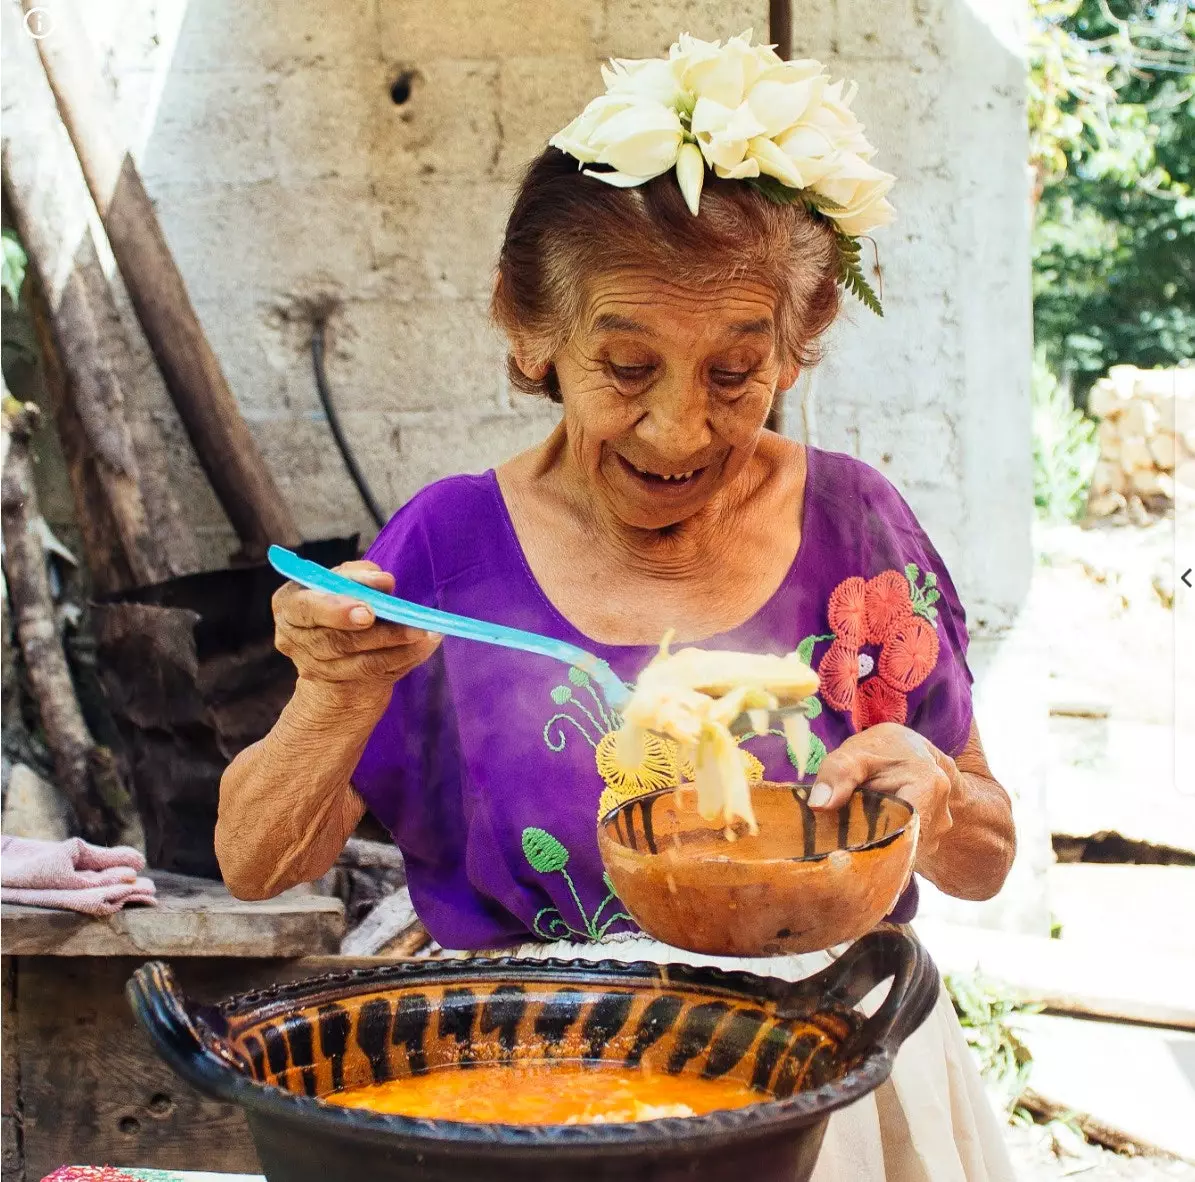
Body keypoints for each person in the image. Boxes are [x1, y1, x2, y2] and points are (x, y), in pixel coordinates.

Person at [217, 31, 1017, 1180]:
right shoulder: (447, 549)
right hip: (540, 1090)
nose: (680, 429)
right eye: (628, 367)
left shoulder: (859, 528)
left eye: (733, 374)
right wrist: (336, 695)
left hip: (836, 1083)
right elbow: (254, 862)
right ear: (528, 328)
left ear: (799, 346)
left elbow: (985, 858)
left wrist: (936, 802)